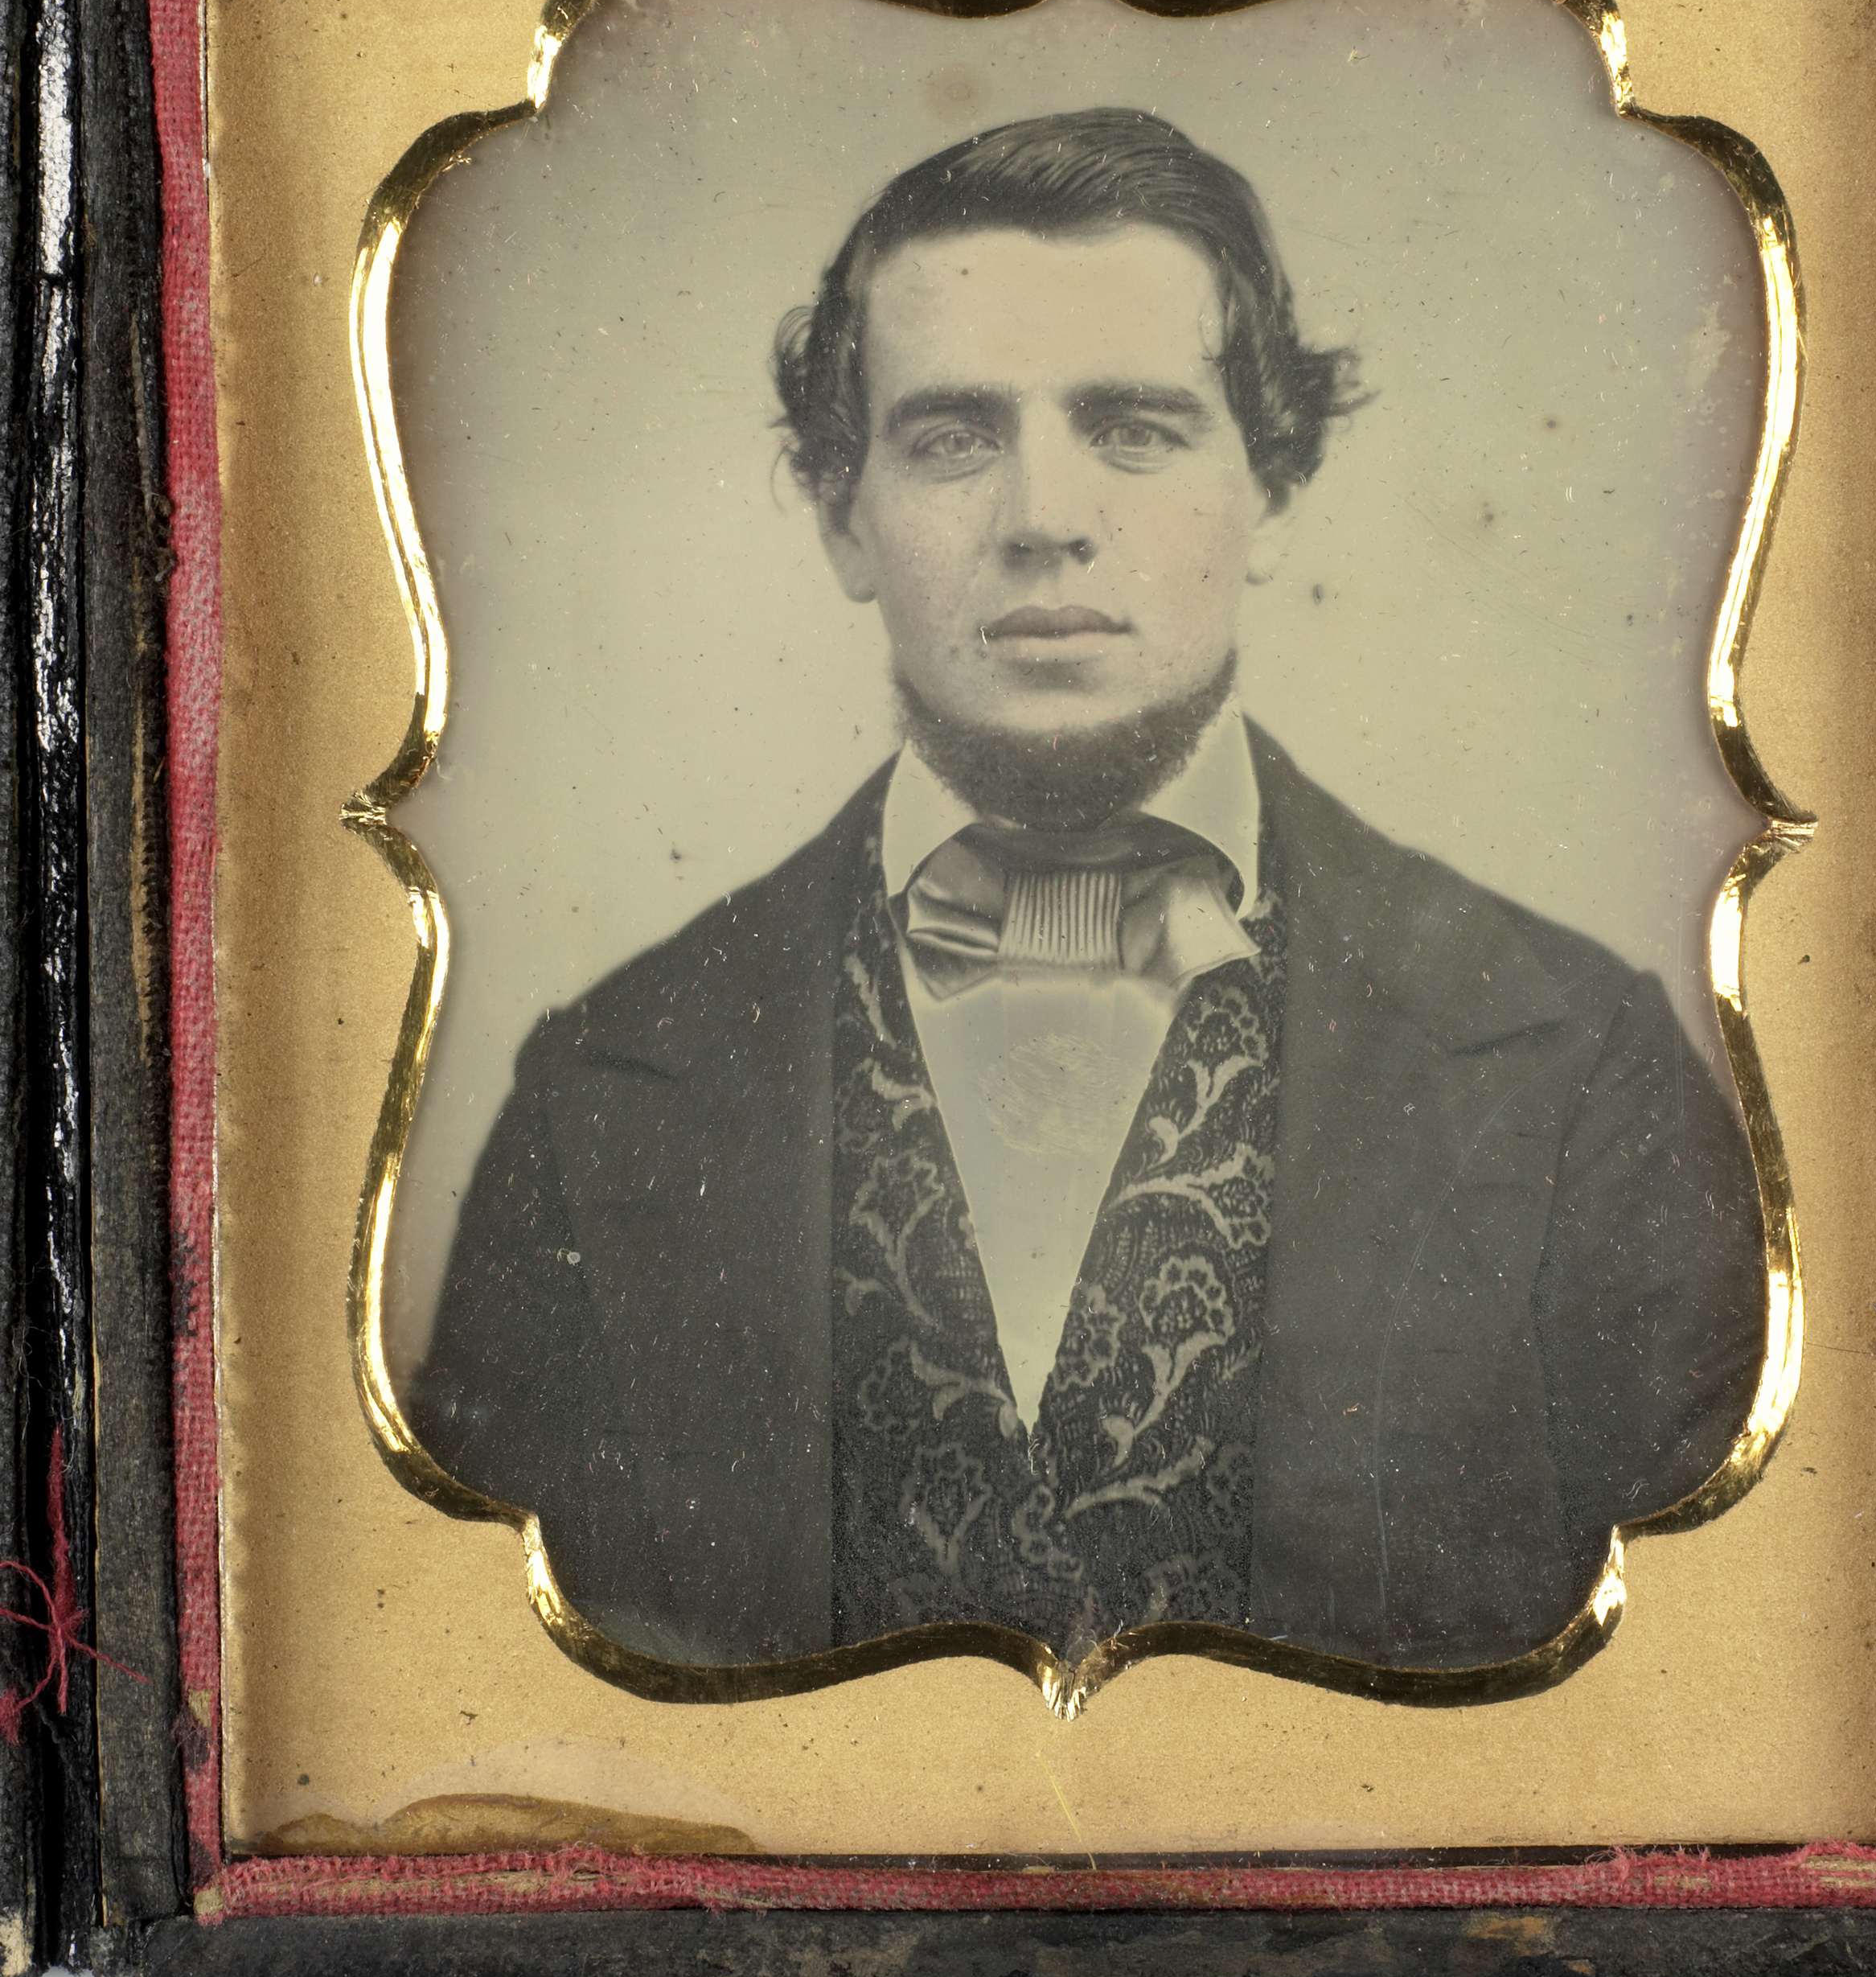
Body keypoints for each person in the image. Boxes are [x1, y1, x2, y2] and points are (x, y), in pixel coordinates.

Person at [413, 107, 1767, 1675]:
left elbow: (1690, 1693)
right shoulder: (602, 1087)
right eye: (951, 437)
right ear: (844, 515)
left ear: (1271, 488)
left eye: (1132, 427)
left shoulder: (1579, 1068)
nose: (1044, 517)